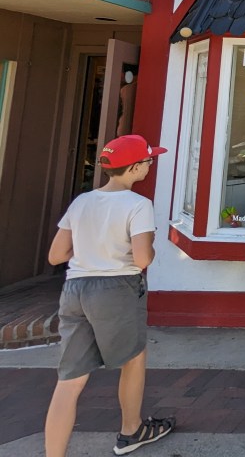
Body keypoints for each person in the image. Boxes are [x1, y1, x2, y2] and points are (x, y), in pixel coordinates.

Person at [44, 134, 176, 457]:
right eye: (147, 161)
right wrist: (148, 246)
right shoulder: (138, 205)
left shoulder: (81, 202)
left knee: (70, 380)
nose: (150, 165)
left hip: (75, 289)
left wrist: (91, 247)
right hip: (116, 287)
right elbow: (142, 259)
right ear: (134, 167)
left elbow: (56, 255)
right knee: (133, 357)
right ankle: (131, 430)